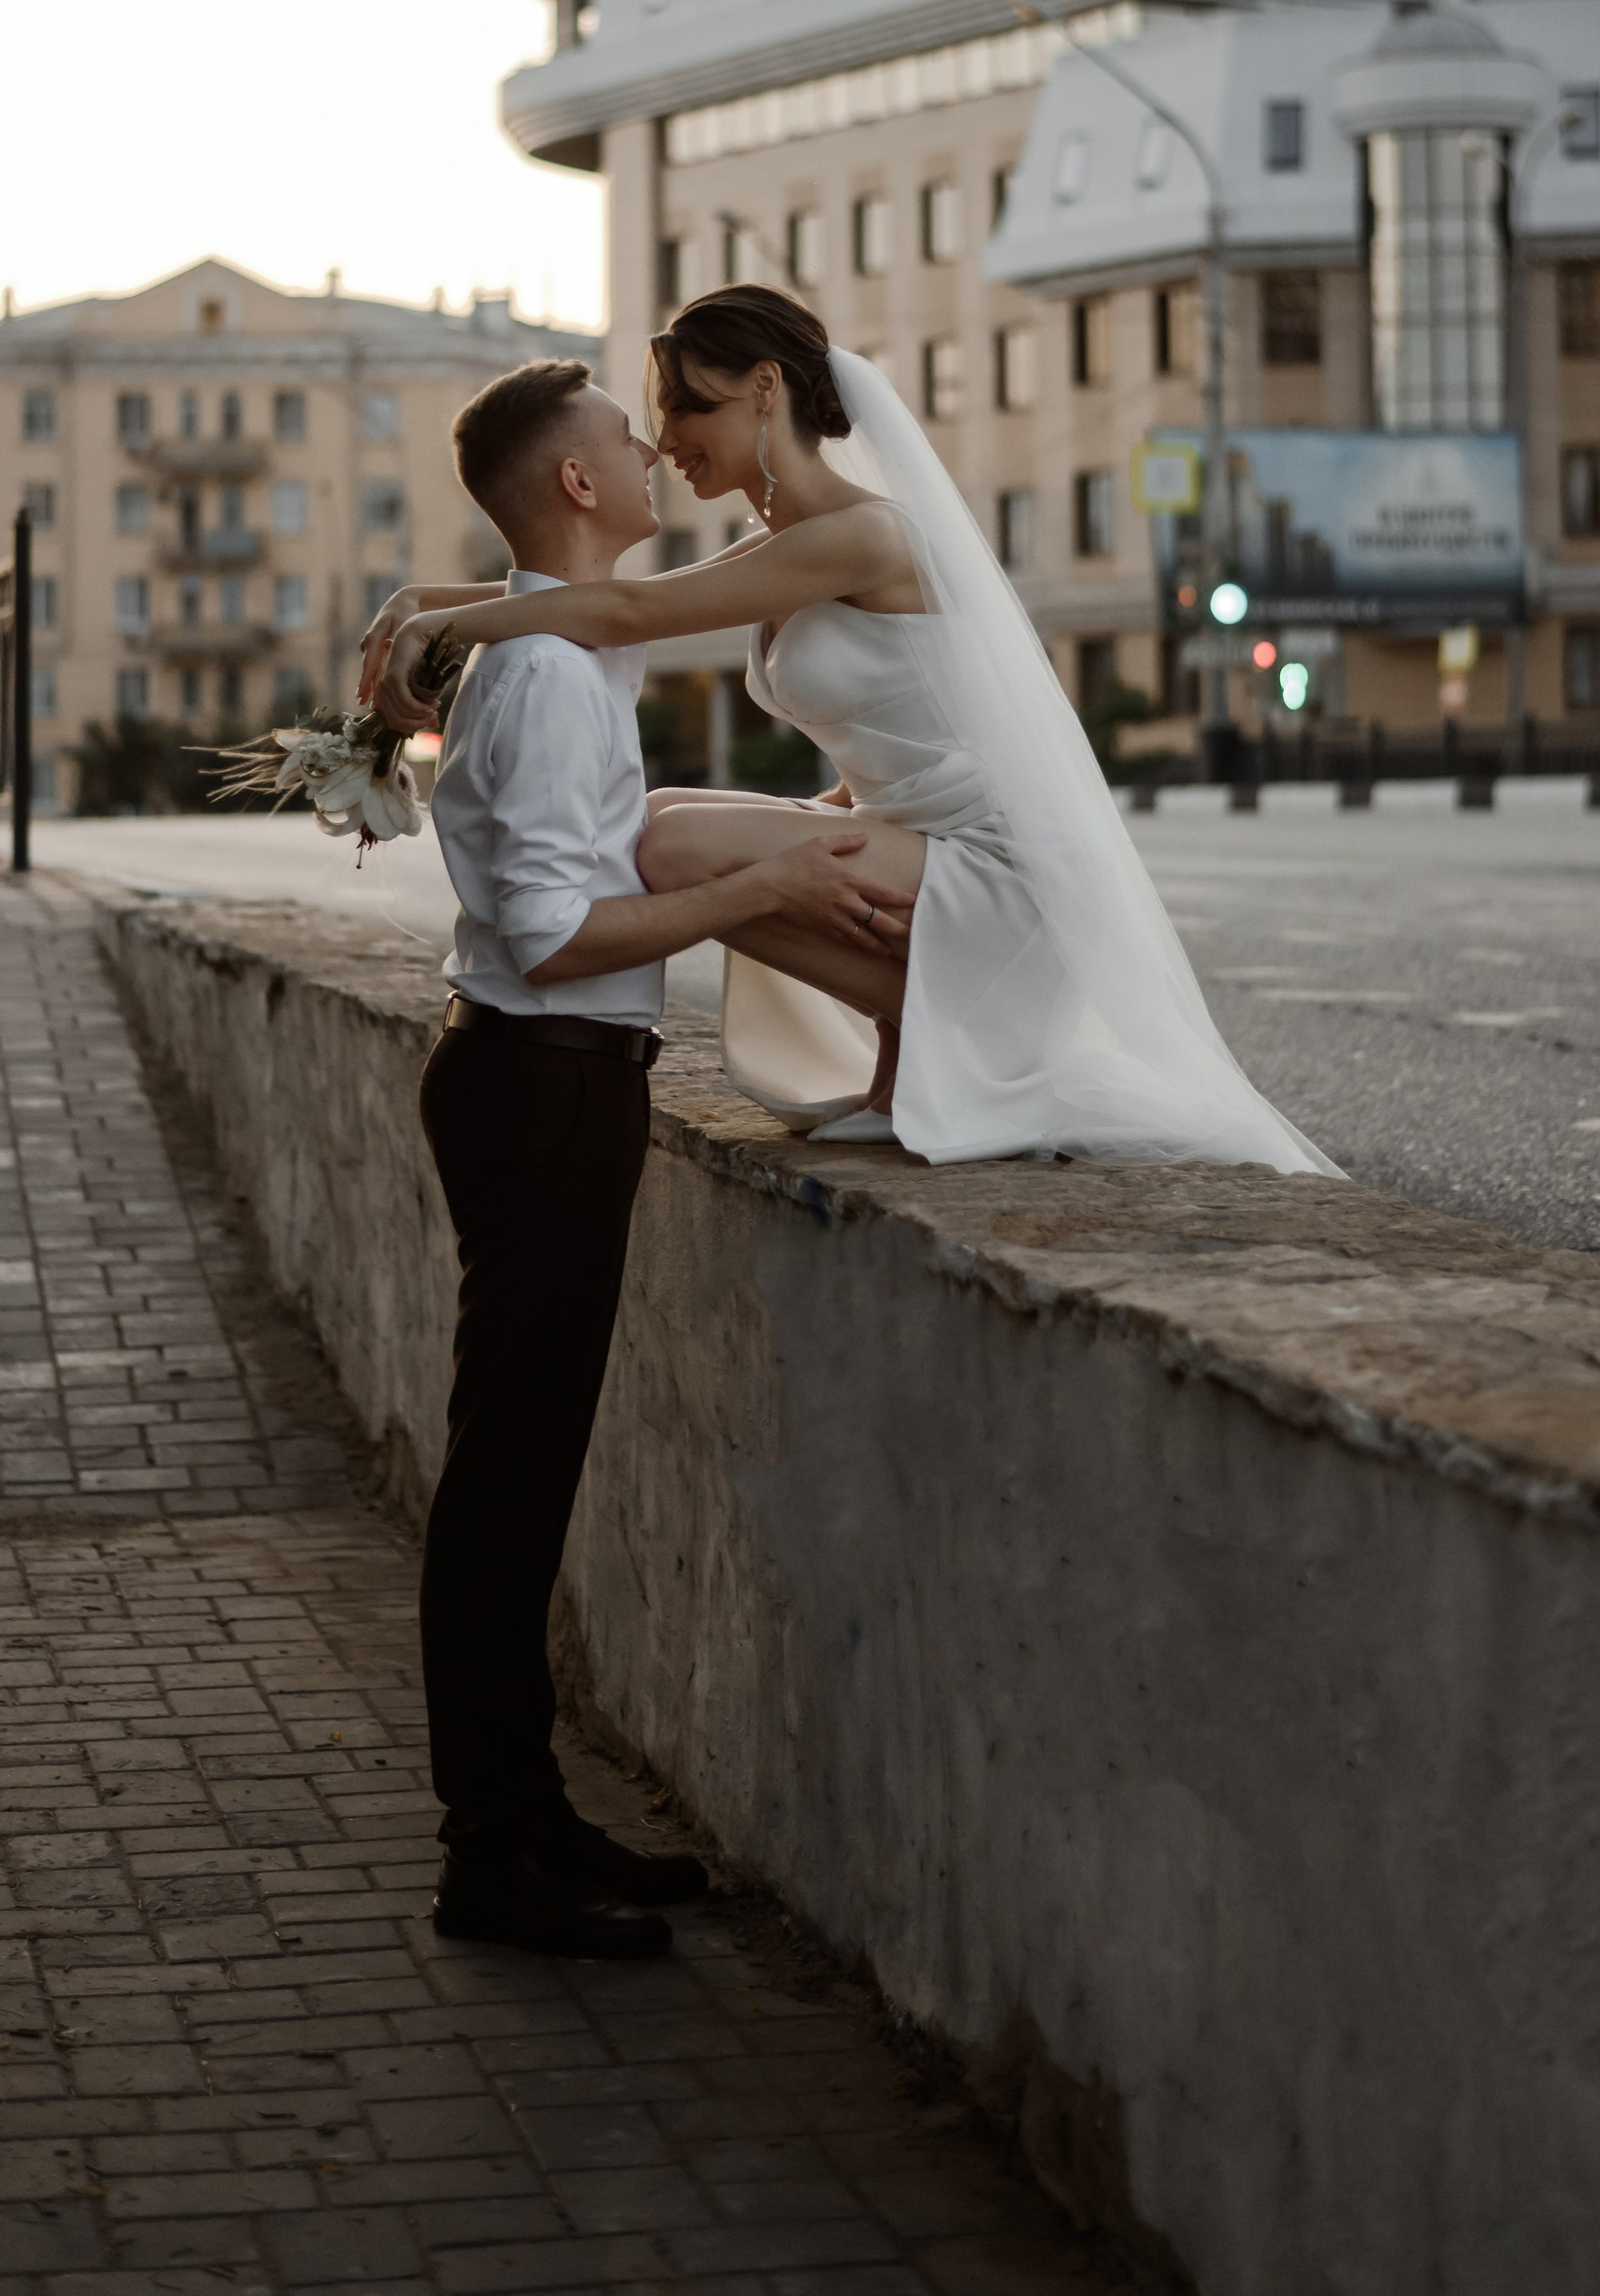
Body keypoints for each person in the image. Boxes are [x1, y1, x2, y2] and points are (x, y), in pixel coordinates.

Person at [374, 288, 1337, 1178]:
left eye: (689, 408)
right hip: (930, 856)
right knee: (661, 818)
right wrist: (422, 602)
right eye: (658, 421)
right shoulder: (789, 544)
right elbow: (616, 602)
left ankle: (931, 1033)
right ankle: (903, 1058)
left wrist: (439, 626)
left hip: (1004, 876)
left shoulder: (863, 537)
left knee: (669, 840)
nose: (665, 444)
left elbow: (628, 612)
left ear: (766, 390)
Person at [411, 354, 916, 1965]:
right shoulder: (553, 678)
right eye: (629, 440)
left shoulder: (555, 649)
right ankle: (492, 1857)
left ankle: (528, 1818)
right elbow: (556, 935)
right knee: (507, 1483)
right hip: (543, 1086)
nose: (651, 456)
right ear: (577, 484)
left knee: (523, 1471)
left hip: (537, 1082)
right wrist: (765, 891)